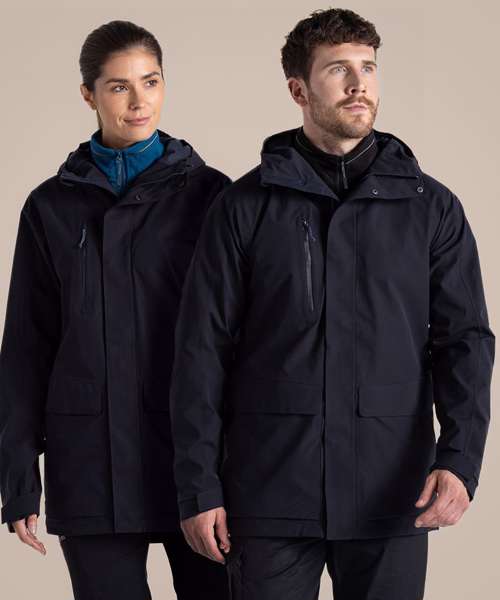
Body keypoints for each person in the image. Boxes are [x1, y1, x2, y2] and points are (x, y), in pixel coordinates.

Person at [168, 8, 495, 600]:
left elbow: (465, 342)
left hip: (390, 494)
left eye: (367, 67)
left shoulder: (431, 208)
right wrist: (199, 487)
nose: (358, 84)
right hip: (269, 494)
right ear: (299, 90)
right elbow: (201, 351)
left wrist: (460, 459)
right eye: (338, 69)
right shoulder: (245, 206)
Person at [0, 19, 231, 600]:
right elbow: (26, 347)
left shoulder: (212, 196)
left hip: (197, 466)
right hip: (90, 462)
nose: (138, 101)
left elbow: (244, 338)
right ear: (89, 94)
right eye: (119, 86)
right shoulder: (50, 207)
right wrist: (18, 475)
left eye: (150, 82)